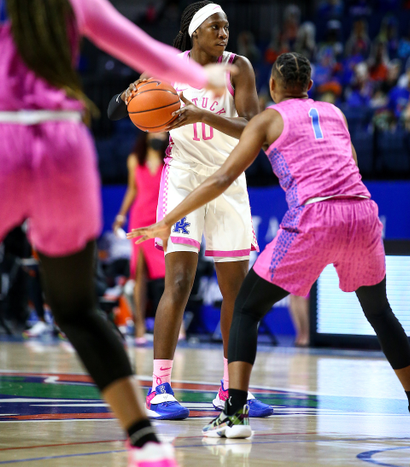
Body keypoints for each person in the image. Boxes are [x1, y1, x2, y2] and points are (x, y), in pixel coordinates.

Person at [0, 0, 233, 466]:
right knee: (79, 310)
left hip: (4, 137)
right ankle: (146, 443)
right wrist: (208, 77)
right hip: (64, 144)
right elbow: (145, 50)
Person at [129, 52, 410, 439]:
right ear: (310, 87)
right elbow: (352, 167)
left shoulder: (268, 118)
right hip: (363, 214)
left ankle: (233, 412)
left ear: (272, 88)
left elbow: (222, 178)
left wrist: (166, 219)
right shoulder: (336, 114)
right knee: (381, 315)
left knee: (245, 307)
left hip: (314, 217)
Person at [109, 0, 272, 420]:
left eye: (226, 27)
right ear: (195, 32)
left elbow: (254, 129)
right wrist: (129, 96)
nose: (223, 33)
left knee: (235, 289)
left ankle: (230, 389)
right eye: (215, 27)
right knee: (178, 280)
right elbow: (116, 109)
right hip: (183, 175)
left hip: (229, 179)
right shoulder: (168, 66)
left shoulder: (239, 68)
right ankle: (160, 387)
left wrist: (201, 114)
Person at [112, 132, 168, 345]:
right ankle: (140, 328)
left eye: (163, 132)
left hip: (162, 220)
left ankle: (176, 325)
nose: (159, 135)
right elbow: (132, 190)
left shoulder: (170, 159)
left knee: (167, 274)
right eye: (155, 131)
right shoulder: (134, 159)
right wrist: (120, 215)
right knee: (139, 274)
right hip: (139, 219)